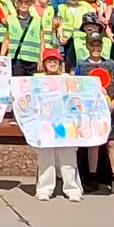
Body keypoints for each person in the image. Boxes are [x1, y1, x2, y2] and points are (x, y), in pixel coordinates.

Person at [74, 31, 114, 193]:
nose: (96, 48)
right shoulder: (81, 65)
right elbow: (75, 86)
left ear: (102, 46)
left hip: (109, 110)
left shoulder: (111, 64)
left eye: (98, 45)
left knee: (111, 142)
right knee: (93, 144)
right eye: (92, 44)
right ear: (87, 46)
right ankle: (91, 177)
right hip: (89, 112)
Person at [35, 49, 82, 201]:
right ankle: (44, 189)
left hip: (66, 124)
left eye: (55, 60)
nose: (52, 63)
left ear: (60, 63)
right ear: (44, 64)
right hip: (45, 124)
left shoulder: (68, 78)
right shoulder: (37, 79)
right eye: (49, 61)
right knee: (45, 157)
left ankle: (72, 188)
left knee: (68, 156)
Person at [3, 0, 43, 76]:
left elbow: (42, 41)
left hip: (33, 60)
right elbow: (7, 40)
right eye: (20, 2)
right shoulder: (11, 20)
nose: (23, 5)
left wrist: (41, 59)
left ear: (30, 4)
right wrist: (2, 57)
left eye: (26, 2)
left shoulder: (37, 20)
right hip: (16, 59)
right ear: (16, 4)